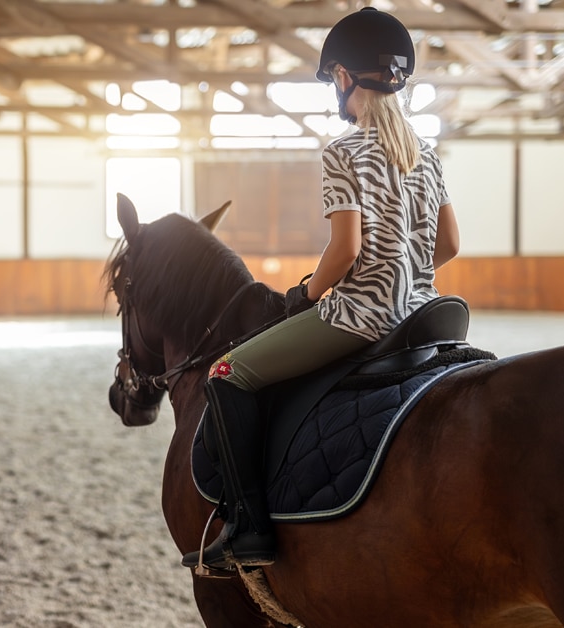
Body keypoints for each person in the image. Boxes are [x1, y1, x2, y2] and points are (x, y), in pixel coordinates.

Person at [181, 7, 461, 571]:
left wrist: (306, 296)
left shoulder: (344, 151)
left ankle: (249, 529)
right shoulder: (425, 155)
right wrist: (404, 269)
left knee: (227, 375)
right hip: (423, 314)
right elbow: (451, 244)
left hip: (359, 317)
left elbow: (346, 251)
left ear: (342, 76)